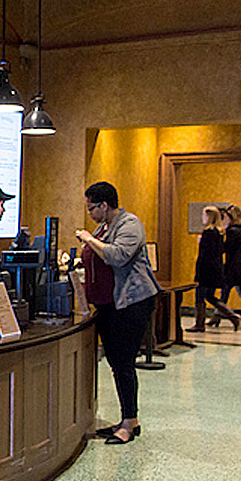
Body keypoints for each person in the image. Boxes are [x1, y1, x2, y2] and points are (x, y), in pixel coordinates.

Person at [76, 181, 160, 445]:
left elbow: (118, 256)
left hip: (131, 303)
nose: (89, 213)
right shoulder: (105, 227)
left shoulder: (130, 224)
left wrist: (89, 239)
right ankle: (128, 419)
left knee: (123, 363)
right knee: (116, 363)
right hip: (109, 305)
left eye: (91, 208)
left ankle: (129, 424)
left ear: (104, 205)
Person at [187, 206, 241, 332]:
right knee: (210, 296)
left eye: (204, 215)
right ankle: (232, 316)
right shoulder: (220, 232)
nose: (202, 217)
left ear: (209, 216)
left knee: (200, 297)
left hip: (206, 270)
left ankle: (199, 324)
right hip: (215, 269)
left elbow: (205, 255)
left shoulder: (208, 233)